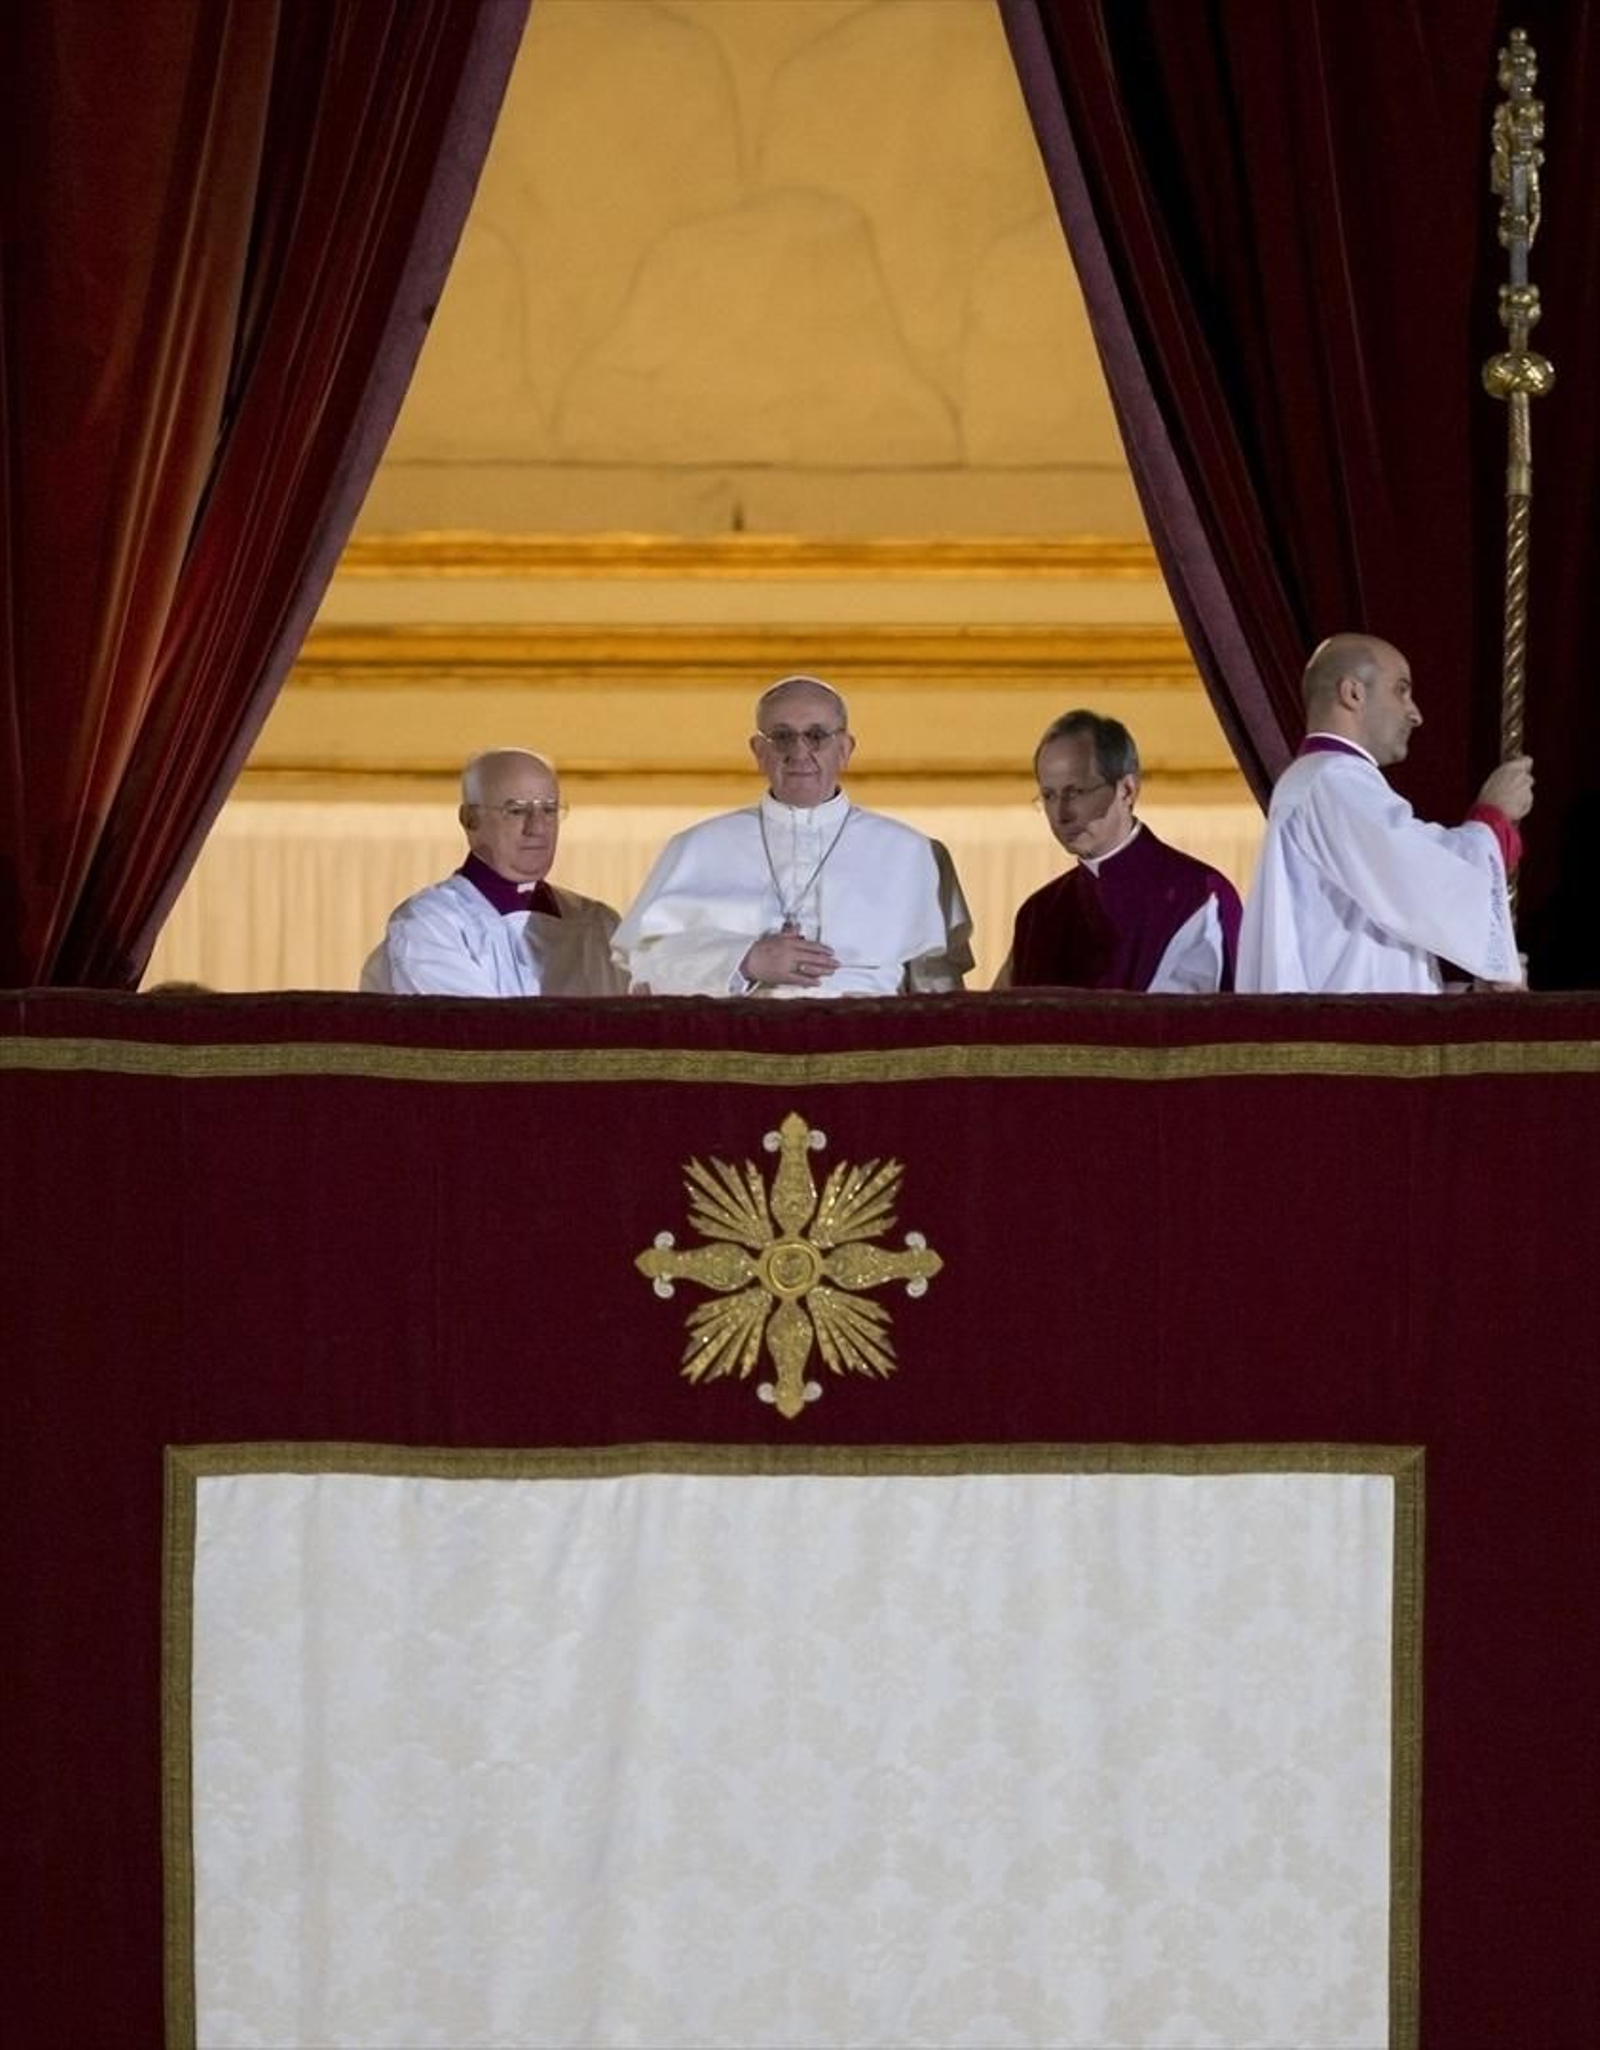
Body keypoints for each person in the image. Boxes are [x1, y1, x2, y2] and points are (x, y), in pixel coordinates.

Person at [612, 676, 973, 997]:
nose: (800, 752)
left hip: (866, 1052)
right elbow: (644, 972)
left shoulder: (910, 852)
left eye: (816, 736)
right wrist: (745, 960)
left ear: (845, 749)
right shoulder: (696, 847)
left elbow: (938, 986)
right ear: (759, 751)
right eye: (782, 737)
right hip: (738, 1052)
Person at [1237, 632, 1534, 993]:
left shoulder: (1320, 780)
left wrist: (1463, 995)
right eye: (1401, 690)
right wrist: (1493, 817)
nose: (1415, 713)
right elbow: (1424, 879)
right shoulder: (1332, 778)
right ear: (1353, 693)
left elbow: (1374, 941)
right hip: (1349, 1038)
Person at [995, 710, 1241, 993]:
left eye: (1075, 792)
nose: (1061, 814)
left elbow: (1190, 1025)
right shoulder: (1039, 913)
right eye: (1049, 795)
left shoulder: (1197, 894)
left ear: (1126, 790)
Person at [364, 748, 626, 996]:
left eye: (549, 810)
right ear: (470, 820)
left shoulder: (598, 925)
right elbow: (475, 1034)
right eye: (516, 810)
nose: (537, 828)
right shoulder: (432, 924)